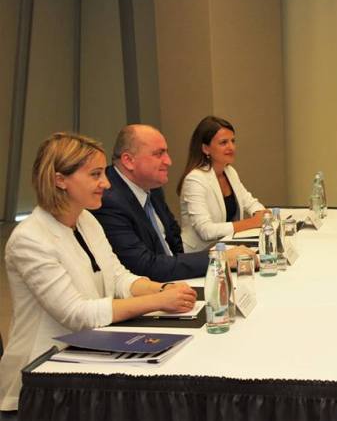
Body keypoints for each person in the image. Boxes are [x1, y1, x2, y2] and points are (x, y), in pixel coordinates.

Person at [0, 133, 197, 413]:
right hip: (41, 380)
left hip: (87, 360)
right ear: (60, 180)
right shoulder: (30, 239)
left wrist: (162, 289)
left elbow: (118, 277)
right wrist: (158, 301)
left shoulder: (86, 220)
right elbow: (77, 314)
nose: (106, 183)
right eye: (95, 175)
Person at [92, 124, 254, 282]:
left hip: (174, 278)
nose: (168, 161)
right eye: (159, 154)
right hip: (149, 289)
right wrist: (219, 258)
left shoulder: (152, 186)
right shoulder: (109, 201)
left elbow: (173, 236)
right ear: (128, 160)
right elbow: (144, 266)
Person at [177, 116, 266, 252]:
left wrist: (262, 214)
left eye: (232, 141)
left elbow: (249, 202)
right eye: (224, 142)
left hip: (226, 248)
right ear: (206, 149)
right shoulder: (195, 179)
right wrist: (252, 222)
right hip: (198, 255)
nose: (231, 147)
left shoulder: (229, 171)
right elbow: (206, 231)